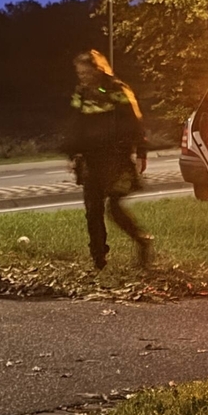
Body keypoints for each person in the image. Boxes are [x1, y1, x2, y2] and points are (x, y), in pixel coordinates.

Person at [62, 50, 153, 270]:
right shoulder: (81, 94)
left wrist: (141, 151)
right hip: (90, 160)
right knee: (92, 210)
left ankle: (142, 241)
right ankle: (98, 259)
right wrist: (72, 153)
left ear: (97, 69)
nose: (82, 76)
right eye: (79, 72)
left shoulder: (117, 90)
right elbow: (75, 124)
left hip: (115, 159)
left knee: (114, 207)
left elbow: (134, 122)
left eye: (86, 71)